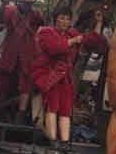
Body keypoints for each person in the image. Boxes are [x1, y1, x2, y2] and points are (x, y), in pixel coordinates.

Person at [30, 10, 105, 144]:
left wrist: (98, 22)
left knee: (65, 109)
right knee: (52, 106)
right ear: (55, 20)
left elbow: (91, 40)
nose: (64, 21)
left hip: (65, 78)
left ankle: (64, 142)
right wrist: (73, 41)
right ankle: (52, 140)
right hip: (51, 76)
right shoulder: (46, 32)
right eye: (61, 18)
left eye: (67, 19)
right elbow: (54, 48)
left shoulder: (72, 33)